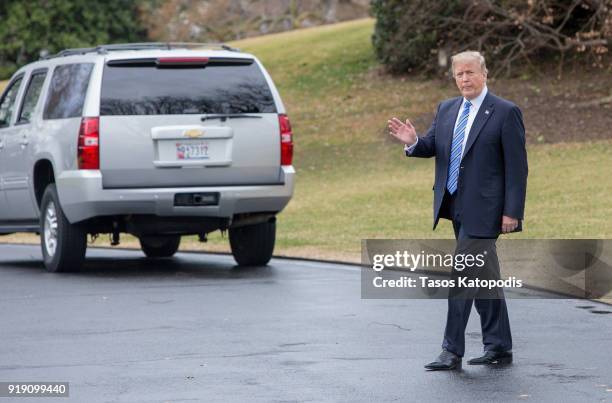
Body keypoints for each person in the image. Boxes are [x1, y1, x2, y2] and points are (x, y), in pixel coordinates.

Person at [387, 51, 528, 370]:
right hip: (454, 206)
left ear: (485, 74)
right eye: (459, 74)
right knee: (485, 279)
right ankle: (499, 346)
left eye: (470, 73)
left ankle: (451, 350)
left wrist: (512, 211)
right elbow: (434, 146)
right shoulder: (447, 108)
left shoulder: (505, 112)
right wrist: (413, 142)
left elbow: (517, 169)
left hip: (486, 212)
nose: (464, 79)